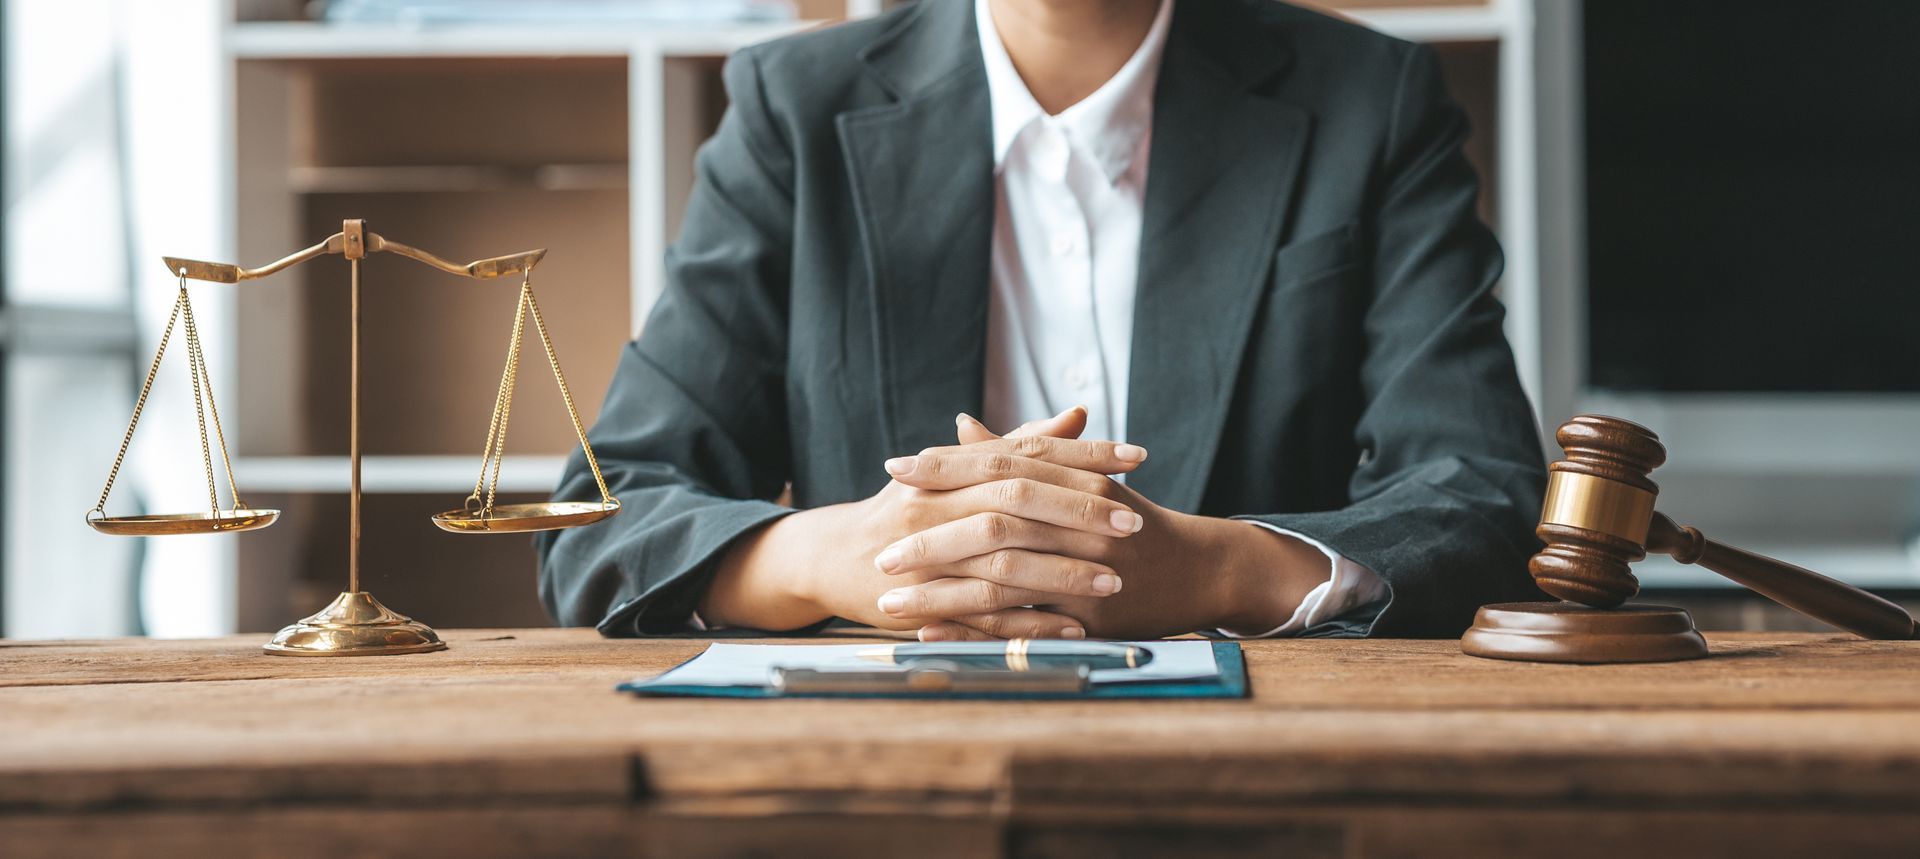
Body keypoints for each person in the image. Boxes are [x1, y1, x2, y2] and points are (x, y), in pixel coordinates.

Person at [536, 0, 1548, 642]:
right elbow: (607, 509)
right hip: (879, 762)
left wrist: (1214, 568)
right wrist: (843, 556)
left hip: (1261, 767)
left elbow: (1481, 498)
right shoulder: (792, 109)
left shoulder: (1372, 100)